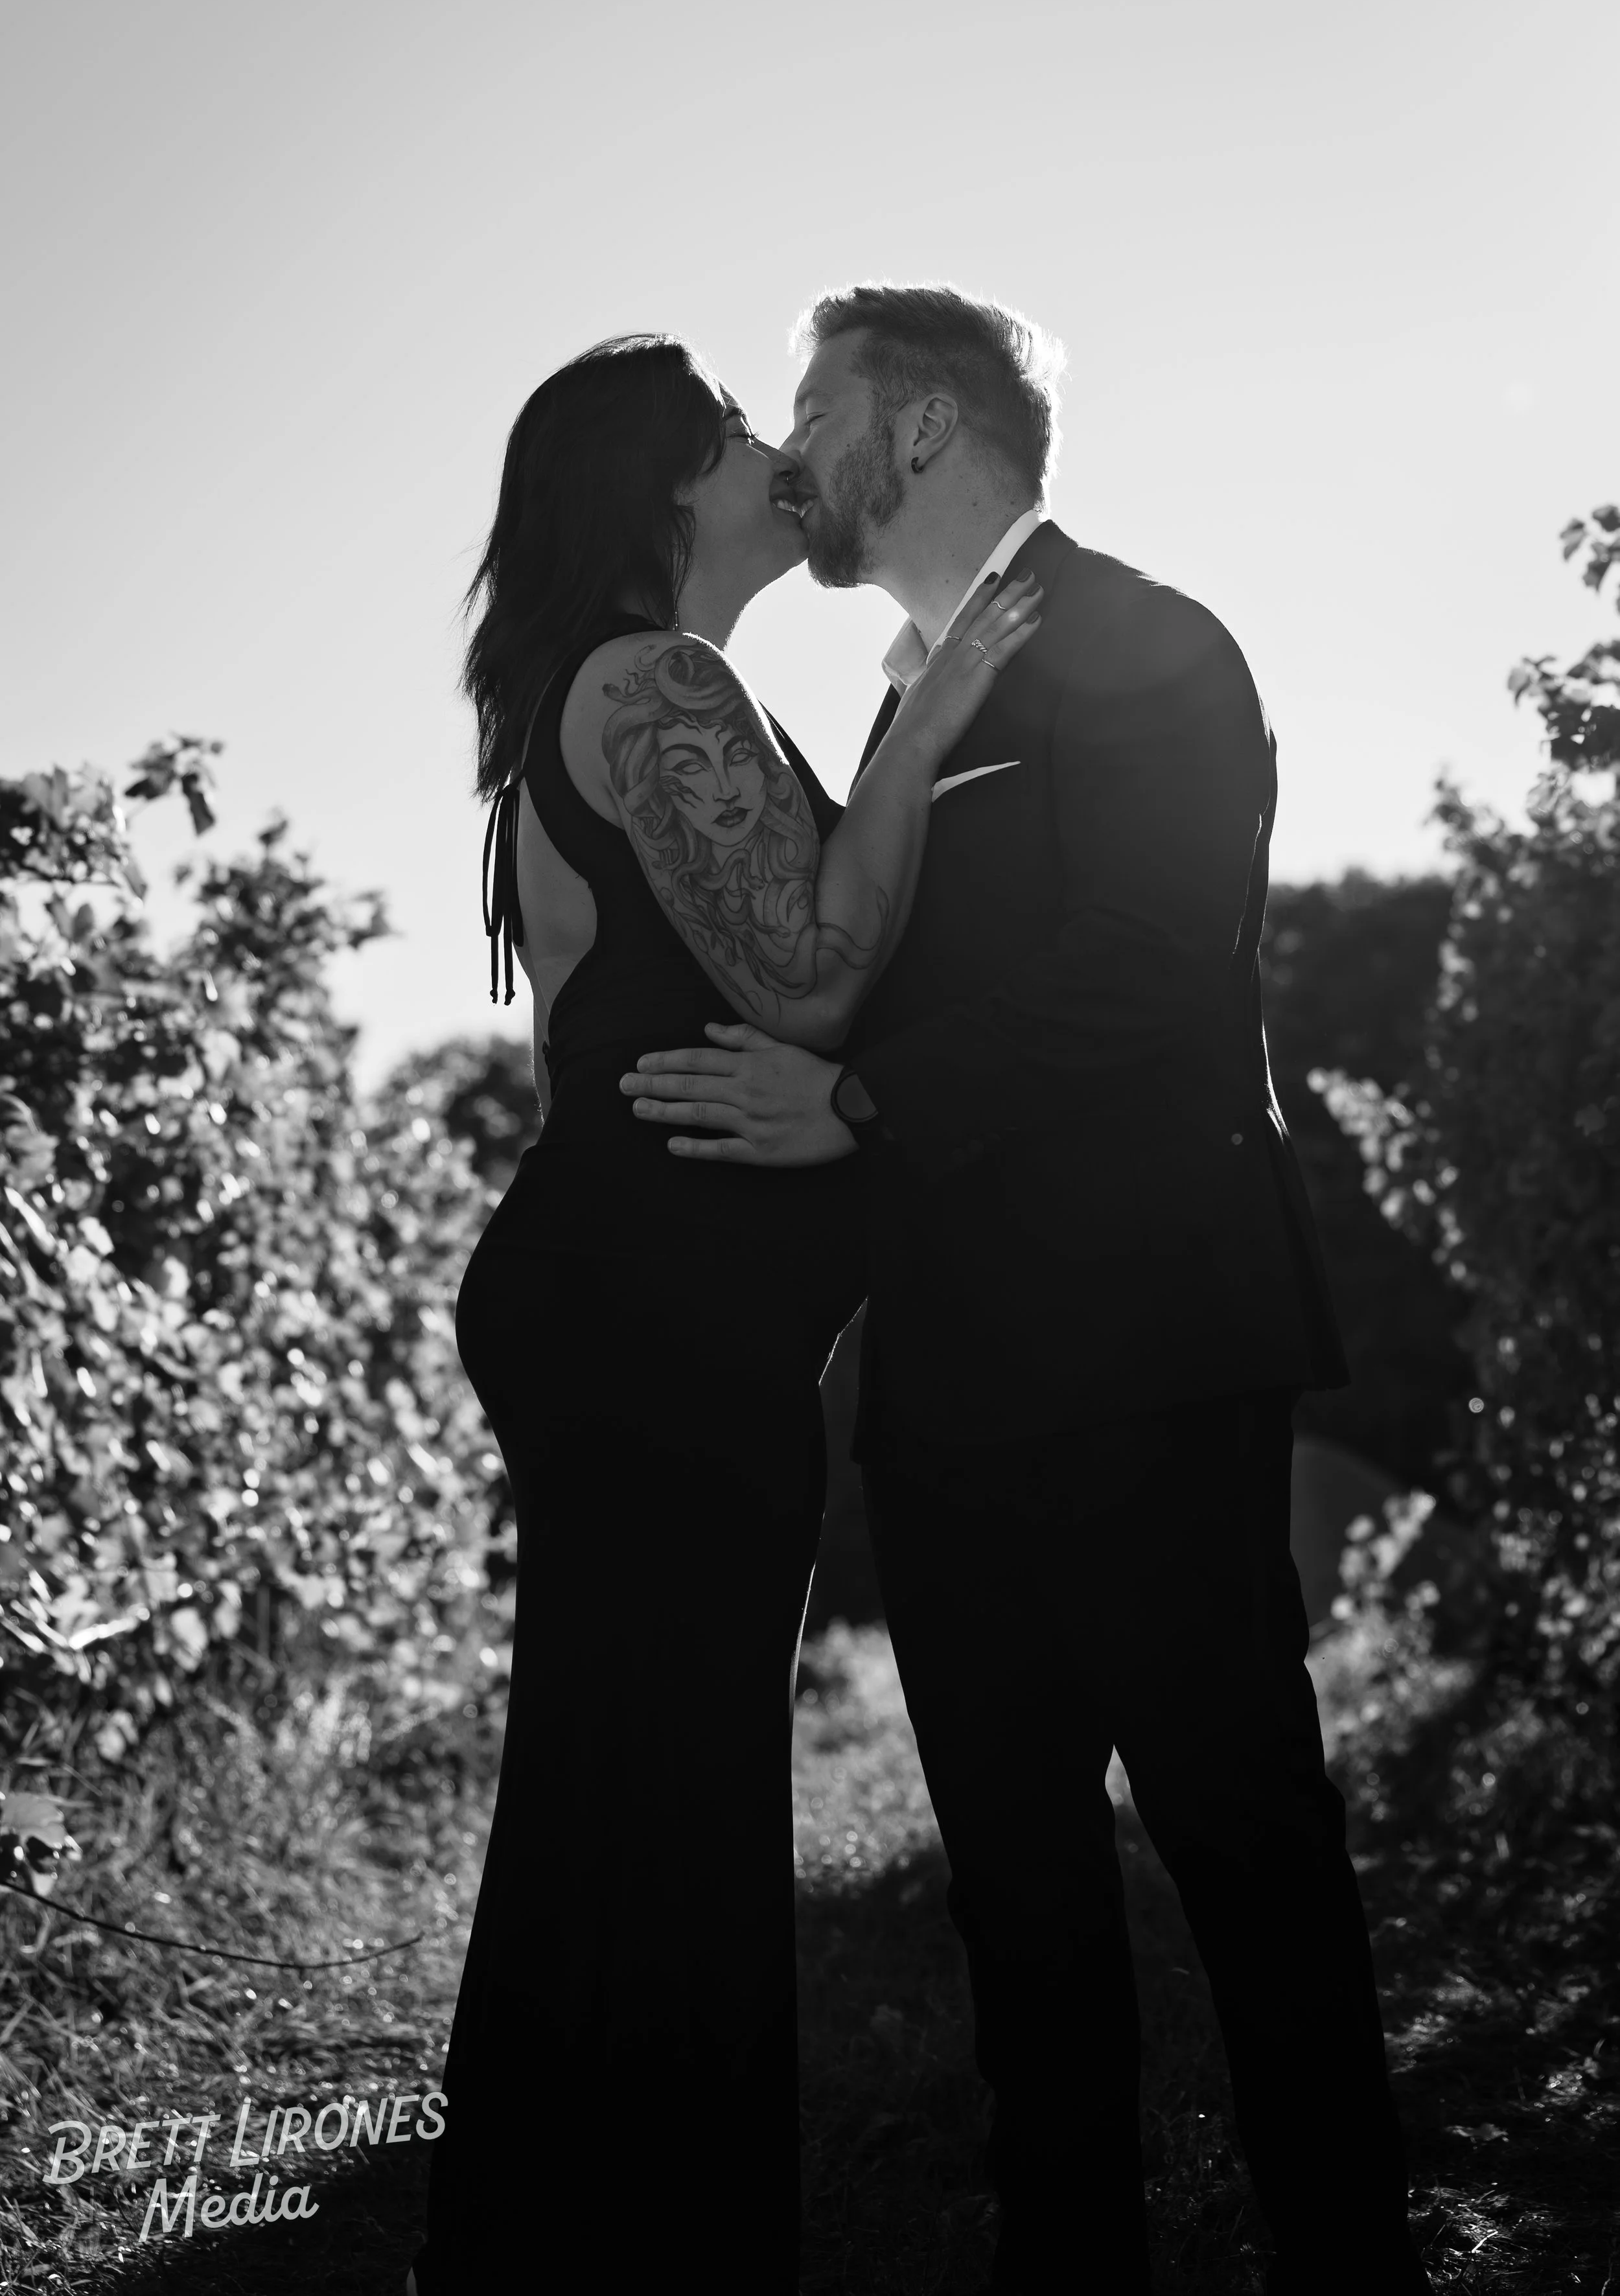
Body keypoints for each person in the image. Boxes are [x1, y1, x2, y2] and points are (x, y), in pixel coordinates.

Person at [624, 285, 1433, 2296]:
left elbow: (1149, 962)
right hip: (945, 1395)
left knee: (1246, 1852)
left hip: (1148, 1359)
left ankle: (1354, 2261)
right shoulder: (896, 702)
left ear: (914, 428)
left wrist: (860, 1100)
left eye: (812, 406)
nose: (789, 451)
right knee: (1014, 1897)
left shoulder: (1148, 642)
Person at [408, 330, 1041, 2296]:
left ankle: (557, 2238)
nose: (781, 452)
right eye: (742, 432)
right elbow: (812, 977)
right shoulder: (656, 683)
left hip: (640, 1314)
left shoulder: (630, 688)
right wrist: (926, 729)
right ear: (669, 487)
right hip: (653, 1327)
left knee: (623, 1791)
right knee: (667, 1800)